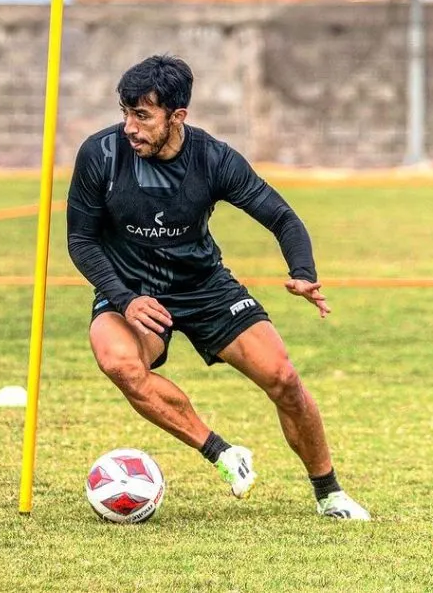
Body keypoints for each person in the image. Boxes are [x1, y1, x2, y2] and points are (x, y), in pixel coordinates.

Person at [66, 54, 369, 520]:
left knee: (284, 380)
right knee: (120, 364)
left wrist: (303, 271)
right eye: (125, 112)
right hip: (131, 288)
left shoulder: (213, 159)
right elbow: (81, 240)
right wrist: (125, 298)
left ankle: (329, 493)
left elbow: (282, 217)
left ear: (177, 117)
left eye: (143, 115)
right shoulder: (100, 154)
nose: (130, 126)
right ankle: (224, 453)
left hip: (204, 286)